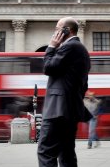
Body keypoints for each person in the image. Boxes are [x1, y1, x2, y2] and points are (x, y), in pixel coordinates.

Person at [37, 17, 92, 167]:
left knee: (45, 151)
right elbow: (84, 85)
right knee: (66, 153)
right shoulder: (81, 49)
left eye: (56, 29)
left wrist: (51, 47)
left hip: (58, 109)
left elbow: (48, 68)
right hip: (69, 108)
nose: (54, 33)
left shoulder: (70, 47)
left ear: (66, 30)